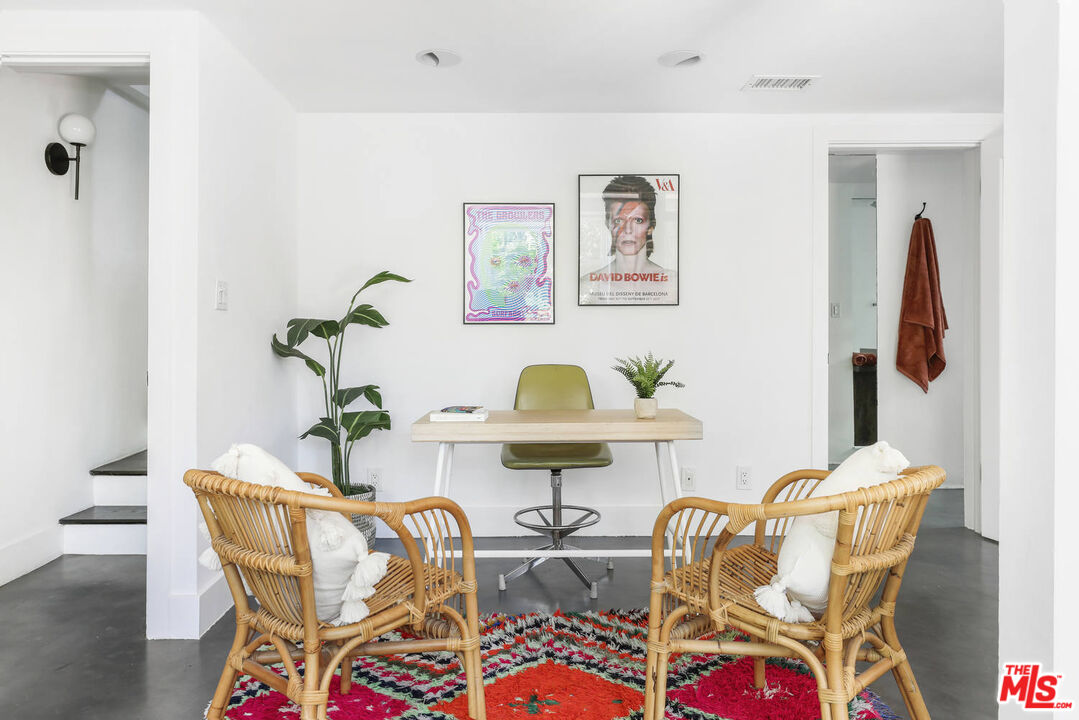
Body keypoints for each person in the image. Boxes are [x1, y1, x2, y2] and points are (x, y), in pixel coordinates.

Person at [579, 175, 677, 304]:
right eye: (619, 220)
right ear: (608, 224)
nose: (628, 229)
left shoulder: (673, 284)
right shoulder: (588, 286)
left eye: (637, 220)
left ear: (651, 226)